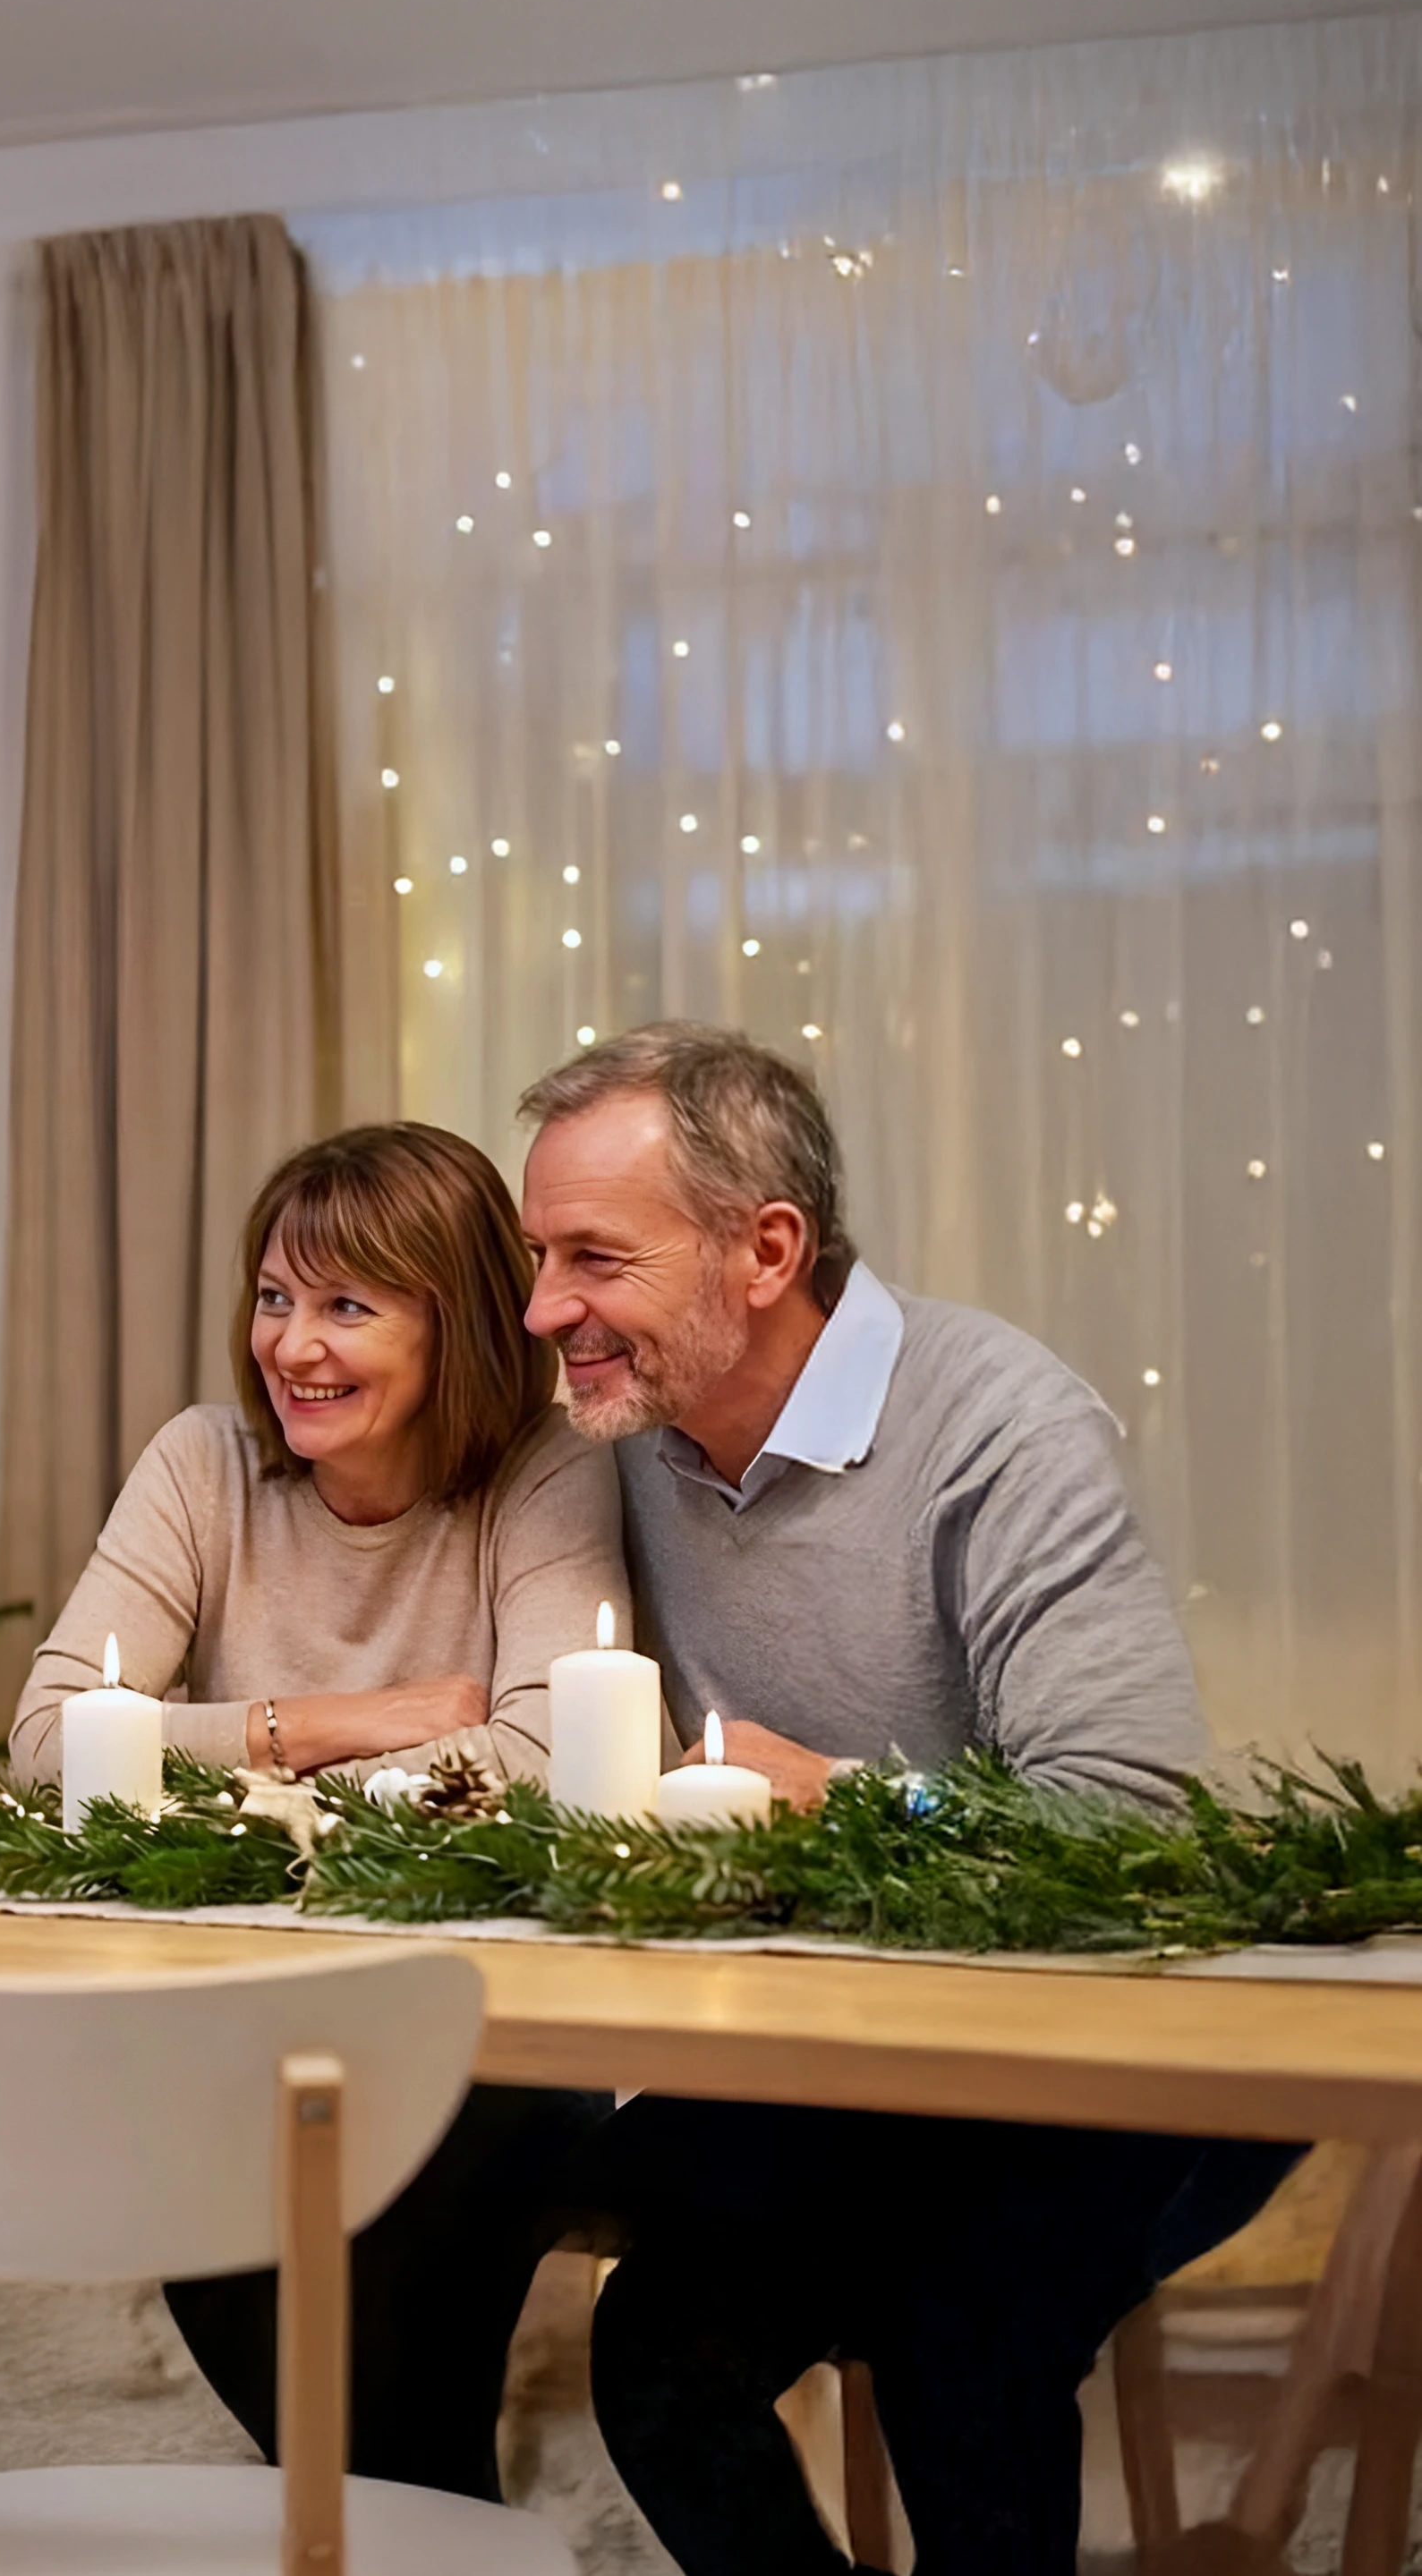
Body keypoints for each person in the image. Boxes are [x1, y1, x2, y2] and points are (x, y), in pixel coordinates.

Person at [515, 1021, 1297, 2576]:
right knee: (651, 2341)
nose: (546, 1312)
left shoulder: (998, 1423)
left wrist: (852, 1804)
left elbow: (1131, 1820)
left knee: (962, 2322)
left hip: (1130, 2040)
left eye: (592, 1259)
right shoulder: (612, 1450)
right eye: (539, 1259)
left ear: (765, 1249)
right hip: (860, 2052)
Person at [13, 1120, 626, 2504]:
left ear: (456, 1325)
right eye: (275, 1297)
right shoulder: (201, 1466)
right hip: (236, 2008)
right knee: (212, 2216)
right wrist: (354, 1722)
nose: (291, 1345)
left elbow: (535, 1758)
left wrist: (226, 1785)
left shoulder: (547, 1470)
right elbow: (47, 1746)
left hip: (474, 2012)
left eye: (346, 1306)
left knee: (423, 2236)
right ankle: (405, 2523)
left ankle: (407, 2521)